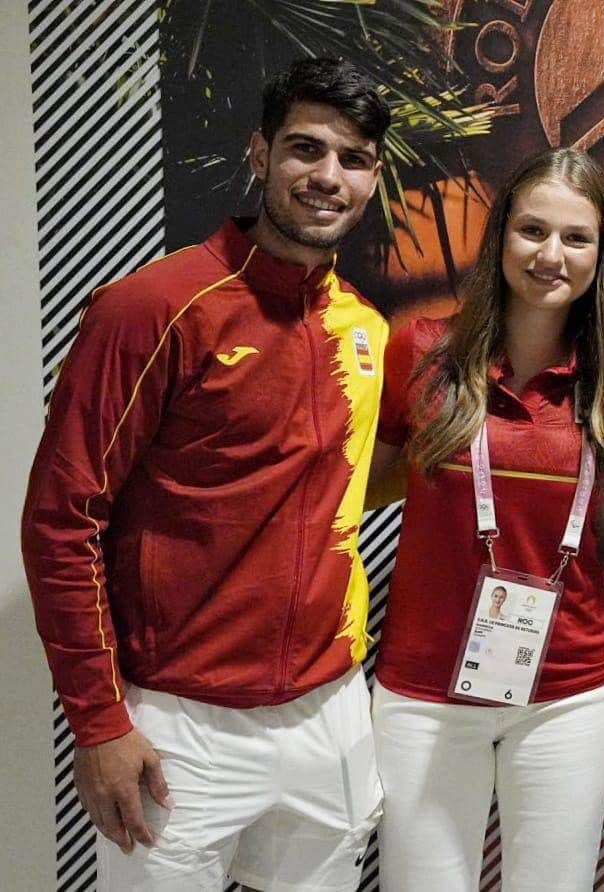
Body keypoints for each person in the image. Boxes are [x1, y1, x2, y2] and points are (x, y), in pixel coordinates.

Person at [20, 57, 390, 890]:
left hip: (330, 716)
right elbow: (61, 521)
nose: (327, 177)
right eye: (306, 149)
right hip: (178, 726)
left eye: (354, 159)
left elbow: (350, 482)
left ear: (372, 179)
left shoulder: (362, 325)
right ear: (260, 154)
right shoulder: (152, 307)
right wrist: (98, 721)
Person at [368, 147, 604, 891]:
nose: (552, 255)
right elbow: (362, 491)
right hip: (425, 694)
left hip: (566, 695)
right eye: (532, 231)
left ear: (600, 255)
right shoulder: (422, 353)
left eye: (576, 238)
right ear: (502, 240)